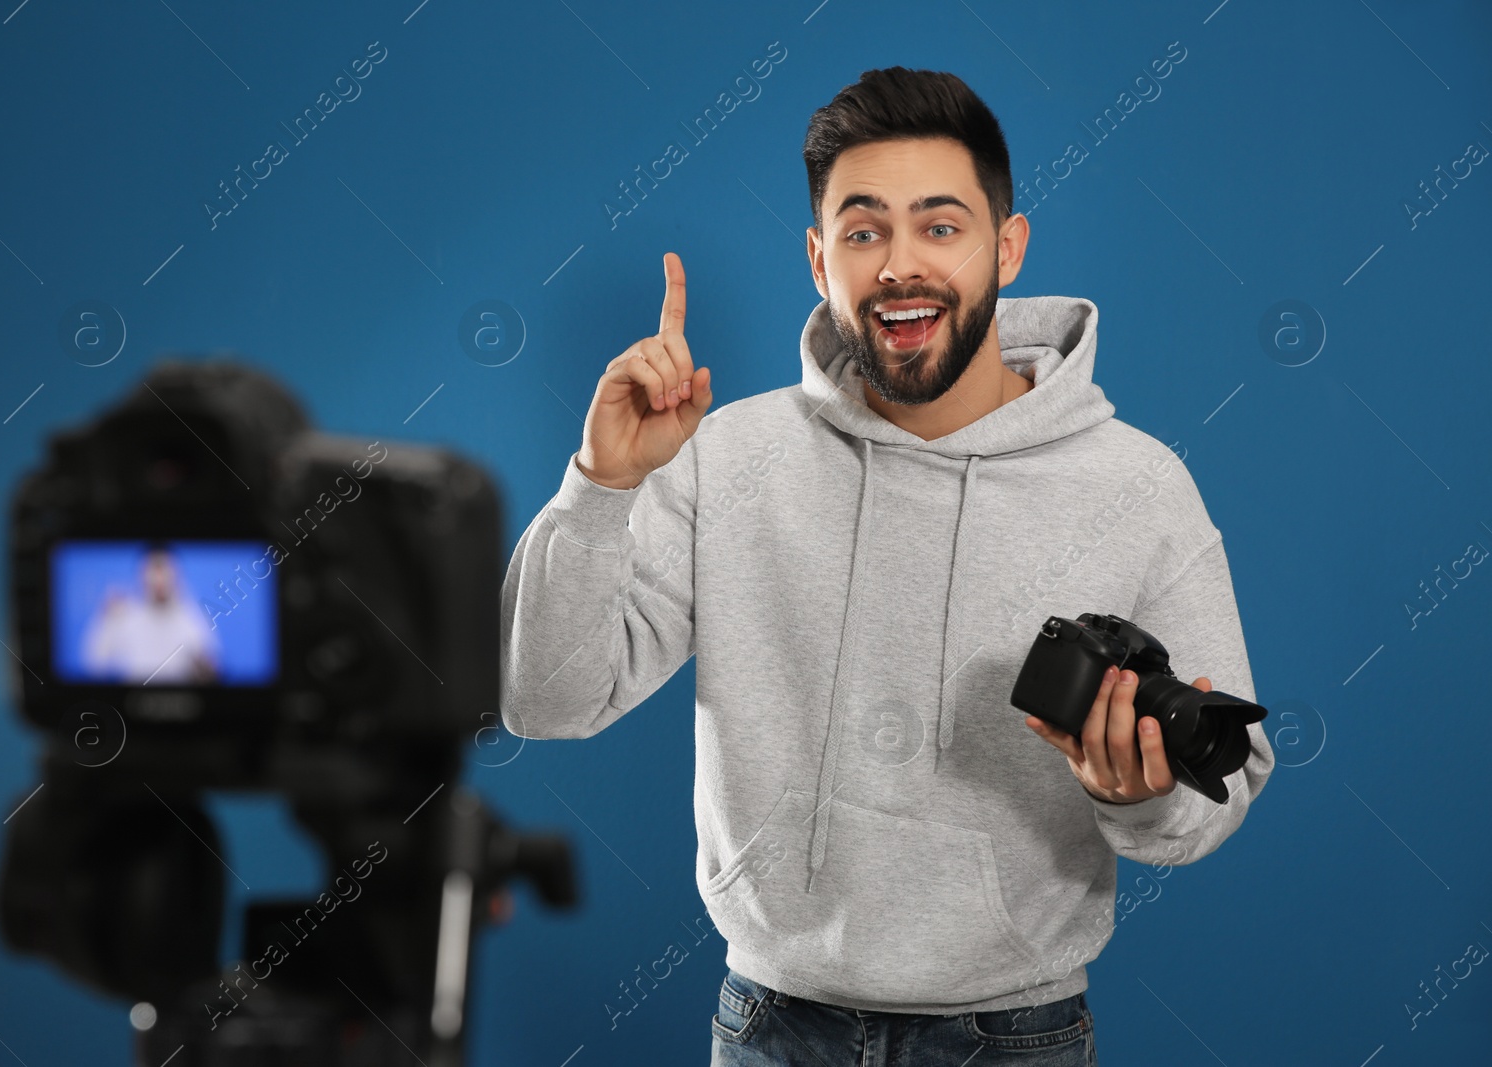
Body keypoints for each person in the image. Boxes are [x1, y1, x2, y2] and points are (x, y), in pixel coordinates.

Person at [499, 66, 1272, 1066]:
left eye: (940, 226)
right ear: (820, 259)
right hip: (771, 1026)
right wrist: (600, 486)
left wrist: (1135, 793)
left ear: (1007, 245)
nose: (899, 264)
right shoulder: (727, 455)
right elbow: (544, 699)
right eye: (863, 233)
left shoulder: (1135, 482)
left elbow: (1227, 777)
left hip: (1016, 1036)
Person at [81, 543, 220, 684]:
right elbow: (93, 664)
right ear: (142, 574)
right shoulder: (122, 614)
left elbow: (212, 667)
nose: (159, 578)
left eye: (164, 569)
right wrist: (105, 621)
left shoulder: (190, 617)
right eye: (154, 569)